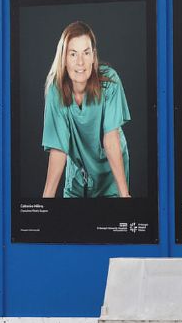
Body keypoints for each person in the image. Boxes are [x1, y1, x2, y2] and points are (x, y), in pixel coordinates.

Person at [40, 21, 131, 198]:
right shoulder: (55, 90)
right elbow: (58, 149)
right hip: (78, 177)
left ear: (93, 56)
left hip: (110, 174)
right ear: (64, 58)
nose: (80, 62)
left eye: (86, 53)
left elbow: (111, 140)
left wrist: (124, 195)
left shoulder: (110, 82)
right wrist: (45, 204)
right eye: (73, 54)